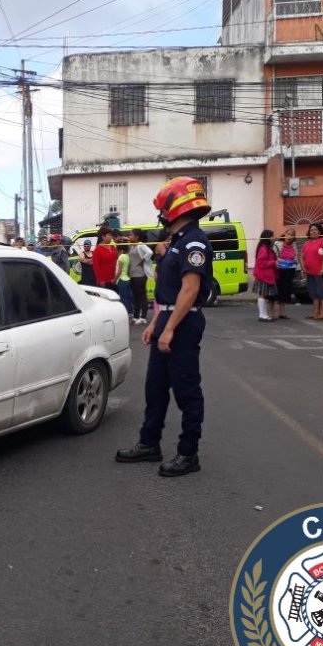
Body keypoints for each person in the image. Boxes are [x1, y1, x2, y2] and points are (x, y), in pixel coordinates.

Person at [115, 177, 213, 478]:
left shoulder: (193, 242)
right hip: (169, 320)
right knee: (155, 389)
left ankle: (188, 453)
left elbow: (189, 291)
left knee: (186, 390)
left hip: (183, 324)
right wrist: (156, 323)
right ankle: (149, 444)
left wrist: (169, 329)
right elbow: (169, 294)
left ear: (175, 208)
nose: (161, 214)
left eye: (163, 208)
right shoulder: (178, 243)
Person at [300, 223, 323, 321]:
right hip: (310, 272)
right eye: (311, 230)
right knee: (314, 293)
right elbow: (301, 256)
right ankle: (315, 313)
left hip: (320, 272)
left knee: (322, 292)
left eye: (315, 230)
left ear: (320, 231)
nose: (313, 231)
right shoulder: (306, 243)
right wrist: (303, 268)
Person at [126, 228, 152, 324]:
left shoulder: (140, 245)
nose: (129, 236)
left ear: (137, 237)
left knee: (142, 297)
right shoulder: (132, 246)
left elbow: (150, 252)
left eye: (131, 235)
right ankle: (136, 317)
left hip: (140, 275)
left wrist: (143, 260)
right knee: (135, 297)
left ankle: (143, 317)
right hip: (133, 275)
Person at [273, 227, 299, 319]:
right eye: (288, 234)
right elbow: (274, 257)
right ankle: (278, 311)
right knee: (280, 290)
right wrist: (281, 263)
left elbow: (296, 257)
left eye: (292, 235)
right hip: (281, 270)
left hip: (290, 270)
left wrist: (295, 264)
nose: (290, 236)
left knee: (287, 290)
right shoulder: (278, 244)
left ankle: (283, 312)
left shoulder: (294, 245)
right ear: (284, 235)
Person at [253, 229, 278, 322]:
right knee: (262, 295)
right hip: (263, 275)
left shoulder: (265, 248)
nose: (273, 238)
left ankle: (263, 314)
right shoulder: (264, 248)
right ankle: (262, 315)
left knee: (262, 295)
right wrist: (273, 263)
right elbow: (261, 262)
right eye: (272, 236)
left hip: (264, 275)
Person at [114, 243, 134, 317]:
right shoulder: (127, 256)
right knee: (129, 297)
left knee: (123, 298)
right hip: (127, 279)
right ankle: (131, 312)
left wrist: (114, 279)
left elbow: (119, 271)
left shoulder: (121, 257)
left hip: (122, 279)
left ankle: (126, 313)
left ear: (120, 249)